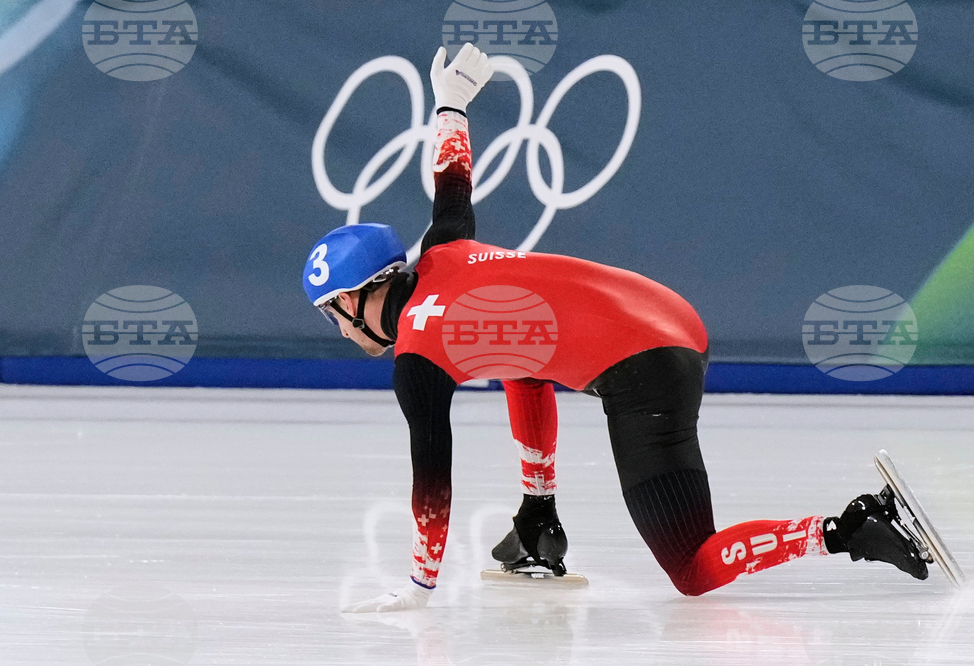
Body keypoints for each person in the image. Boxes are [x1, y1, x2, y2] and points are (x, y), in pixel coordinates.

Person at [302, 44, 929, 612]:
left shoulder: (417, 357)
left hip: (647, 369)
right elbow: (451, 179)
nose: (340, 332)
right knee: (519, 356)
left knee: (693, 567)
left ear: (360, 298)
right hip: (664, 311)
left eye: (334, 314)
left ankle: (849, 529)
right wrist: (451, 103)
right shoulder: (442, 249)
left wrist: (419, 586)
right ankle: (537, 521)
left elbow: (432, 481)